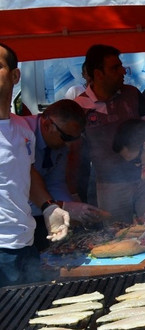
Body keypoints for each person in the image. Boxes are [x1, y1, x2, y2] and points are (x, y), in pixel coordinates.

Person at [0, 43, 70, 287]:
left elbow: (25, 172)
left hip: (24, 244)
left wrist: (49, 207)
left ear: (15, 75)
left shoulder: (23, 129)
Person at [74, 44, 145, 224]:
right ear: (98, 74)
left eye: (120, 66)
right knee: (116, 235)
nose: (122, 72)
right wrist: (75, 193)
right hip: (109, 186)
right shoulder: (80, 107)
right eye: (115, 68)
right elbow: (75, 155)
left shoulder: (132, 94)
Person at [26, 99, 107, 250]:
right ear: (47, 124)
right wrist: (64, 207)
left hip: (39, 211)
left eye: (74, 139)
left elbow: (55, 182)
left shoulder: (58, 141)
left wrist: (72, 209)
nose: (69, 145)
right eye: (66, 138)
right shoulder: (23, 135)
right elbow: (23, 187)